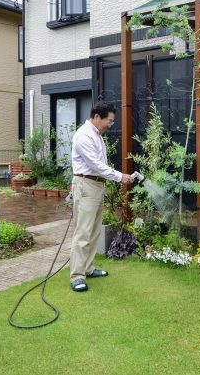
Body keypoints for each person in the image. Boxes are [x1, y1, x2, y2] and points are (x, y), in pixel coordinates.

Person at [69, 102, 134, 292]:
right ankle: (77, 276)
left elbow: (99, 166)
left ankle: (88, 269)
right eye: (109, 121)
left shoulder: (96, 135)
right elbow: (96, 165)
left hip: (97, 186)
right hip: (86, 185)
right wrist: (120, 177)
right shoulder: (83, 136)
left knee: (94, 231)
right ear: (97, 117)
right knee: (83, 232)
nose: (110, 125)